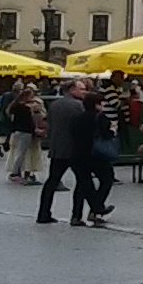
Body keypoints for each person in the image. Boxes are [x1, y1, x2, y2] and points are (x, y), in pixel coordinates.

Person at [37, 79, 90, 225]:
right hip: (74, 149)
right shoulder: (79, 106)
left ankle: (43, 212)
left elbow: (49, 124)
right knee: (82, 181)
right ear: (72, 90)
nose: (84, 92)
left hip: (57, 148)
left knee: (52, 181)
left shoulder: (54, 105)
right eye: (82, 89)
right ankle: (76, 215)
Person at [78, 88, 118, 227]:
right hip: (98, 155)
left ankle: (92, 210)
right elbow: (107, 135)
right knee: (107, 179)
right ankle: (97, 208)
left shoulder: (79, 117)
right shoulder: (101, 117)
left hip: (82, 154)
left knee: (86, 184)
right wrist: (112, 130)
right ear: (96, 104)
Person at [5, 82, 39, 183]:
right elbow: (30, 123)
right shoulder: (26, 108)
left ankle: (16, 172)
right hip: (26, 132)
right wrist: (35, 132)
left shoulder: (15, 107)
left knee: (18, 153)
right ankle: (15, 172)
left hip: (17, 131)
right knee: (22, 153)